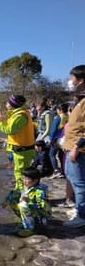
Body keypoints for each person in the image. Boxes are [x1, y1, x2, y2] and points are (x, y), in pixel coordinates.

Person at [0, 94, 35, 190]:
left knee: (21, 173)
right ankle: (21, 191)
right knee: (19, 172)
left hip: (22, 150)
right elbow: (11, 126)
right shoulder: (18, 114)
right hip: (22, 149)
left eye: (8, 103)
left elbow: (9, 130)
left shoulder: (20, 115)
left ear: (13, 105)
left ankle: (23, 193)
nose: (6, 104)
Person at [62, 65, 85, 227]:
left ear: (81, 81)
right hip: (70, 147)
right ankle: (79, 209)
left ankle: (82, 217)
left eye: (72, 80)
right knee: (72, 178)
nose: (70, 83)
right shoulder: (80, 100)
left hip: (78, 150)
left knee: (79, 183)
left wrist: (77, 147)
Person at [2, 166, 51, 237]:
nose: (24, 180)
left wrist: (28, 201)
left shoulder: (40, 192)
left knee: (23, 205)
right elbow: (14, 193)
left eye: (27, 179)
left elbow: (42, 207)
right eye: (23, 178)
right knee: (13, 199)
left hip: (40, 216)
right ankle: (25, 221)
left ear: (35, 180)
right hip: (32, 212)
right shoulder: (26, 187)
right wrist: (6, 201)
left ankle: (30, 228)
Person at [48, 103, 69, 178]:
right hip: (64, 139)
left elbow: (53, 130)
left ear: (60, 110)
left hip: (56, 138)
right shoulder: (68, 116)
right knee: (61, 155)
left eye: (57, 109)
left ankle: (56, 170)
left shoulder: (58, 117)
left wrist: (51, 139)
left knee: (51, 154)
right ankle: (63, 171)